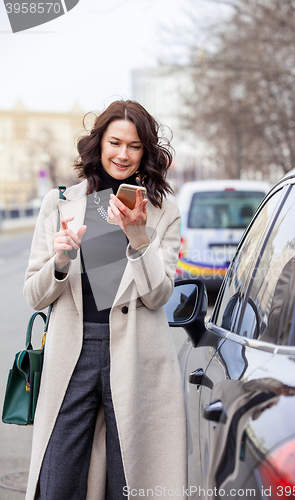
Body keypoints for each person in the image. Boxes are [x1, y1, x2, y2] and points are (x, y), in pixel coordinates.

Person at [23, 100, 186, 500]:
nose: (123, 154)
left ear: (146, 153)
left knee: (129, 482)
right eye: (115, 142)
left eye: (134, 146)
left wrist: (139, 237)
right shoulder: (61, 202)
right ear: (99, 144)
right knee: (57, 480)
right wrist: (60, 260)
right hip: (72, 354)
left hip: (136, 357)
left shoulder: (161, 211)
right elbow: (34, 295)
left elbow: (159, 296)